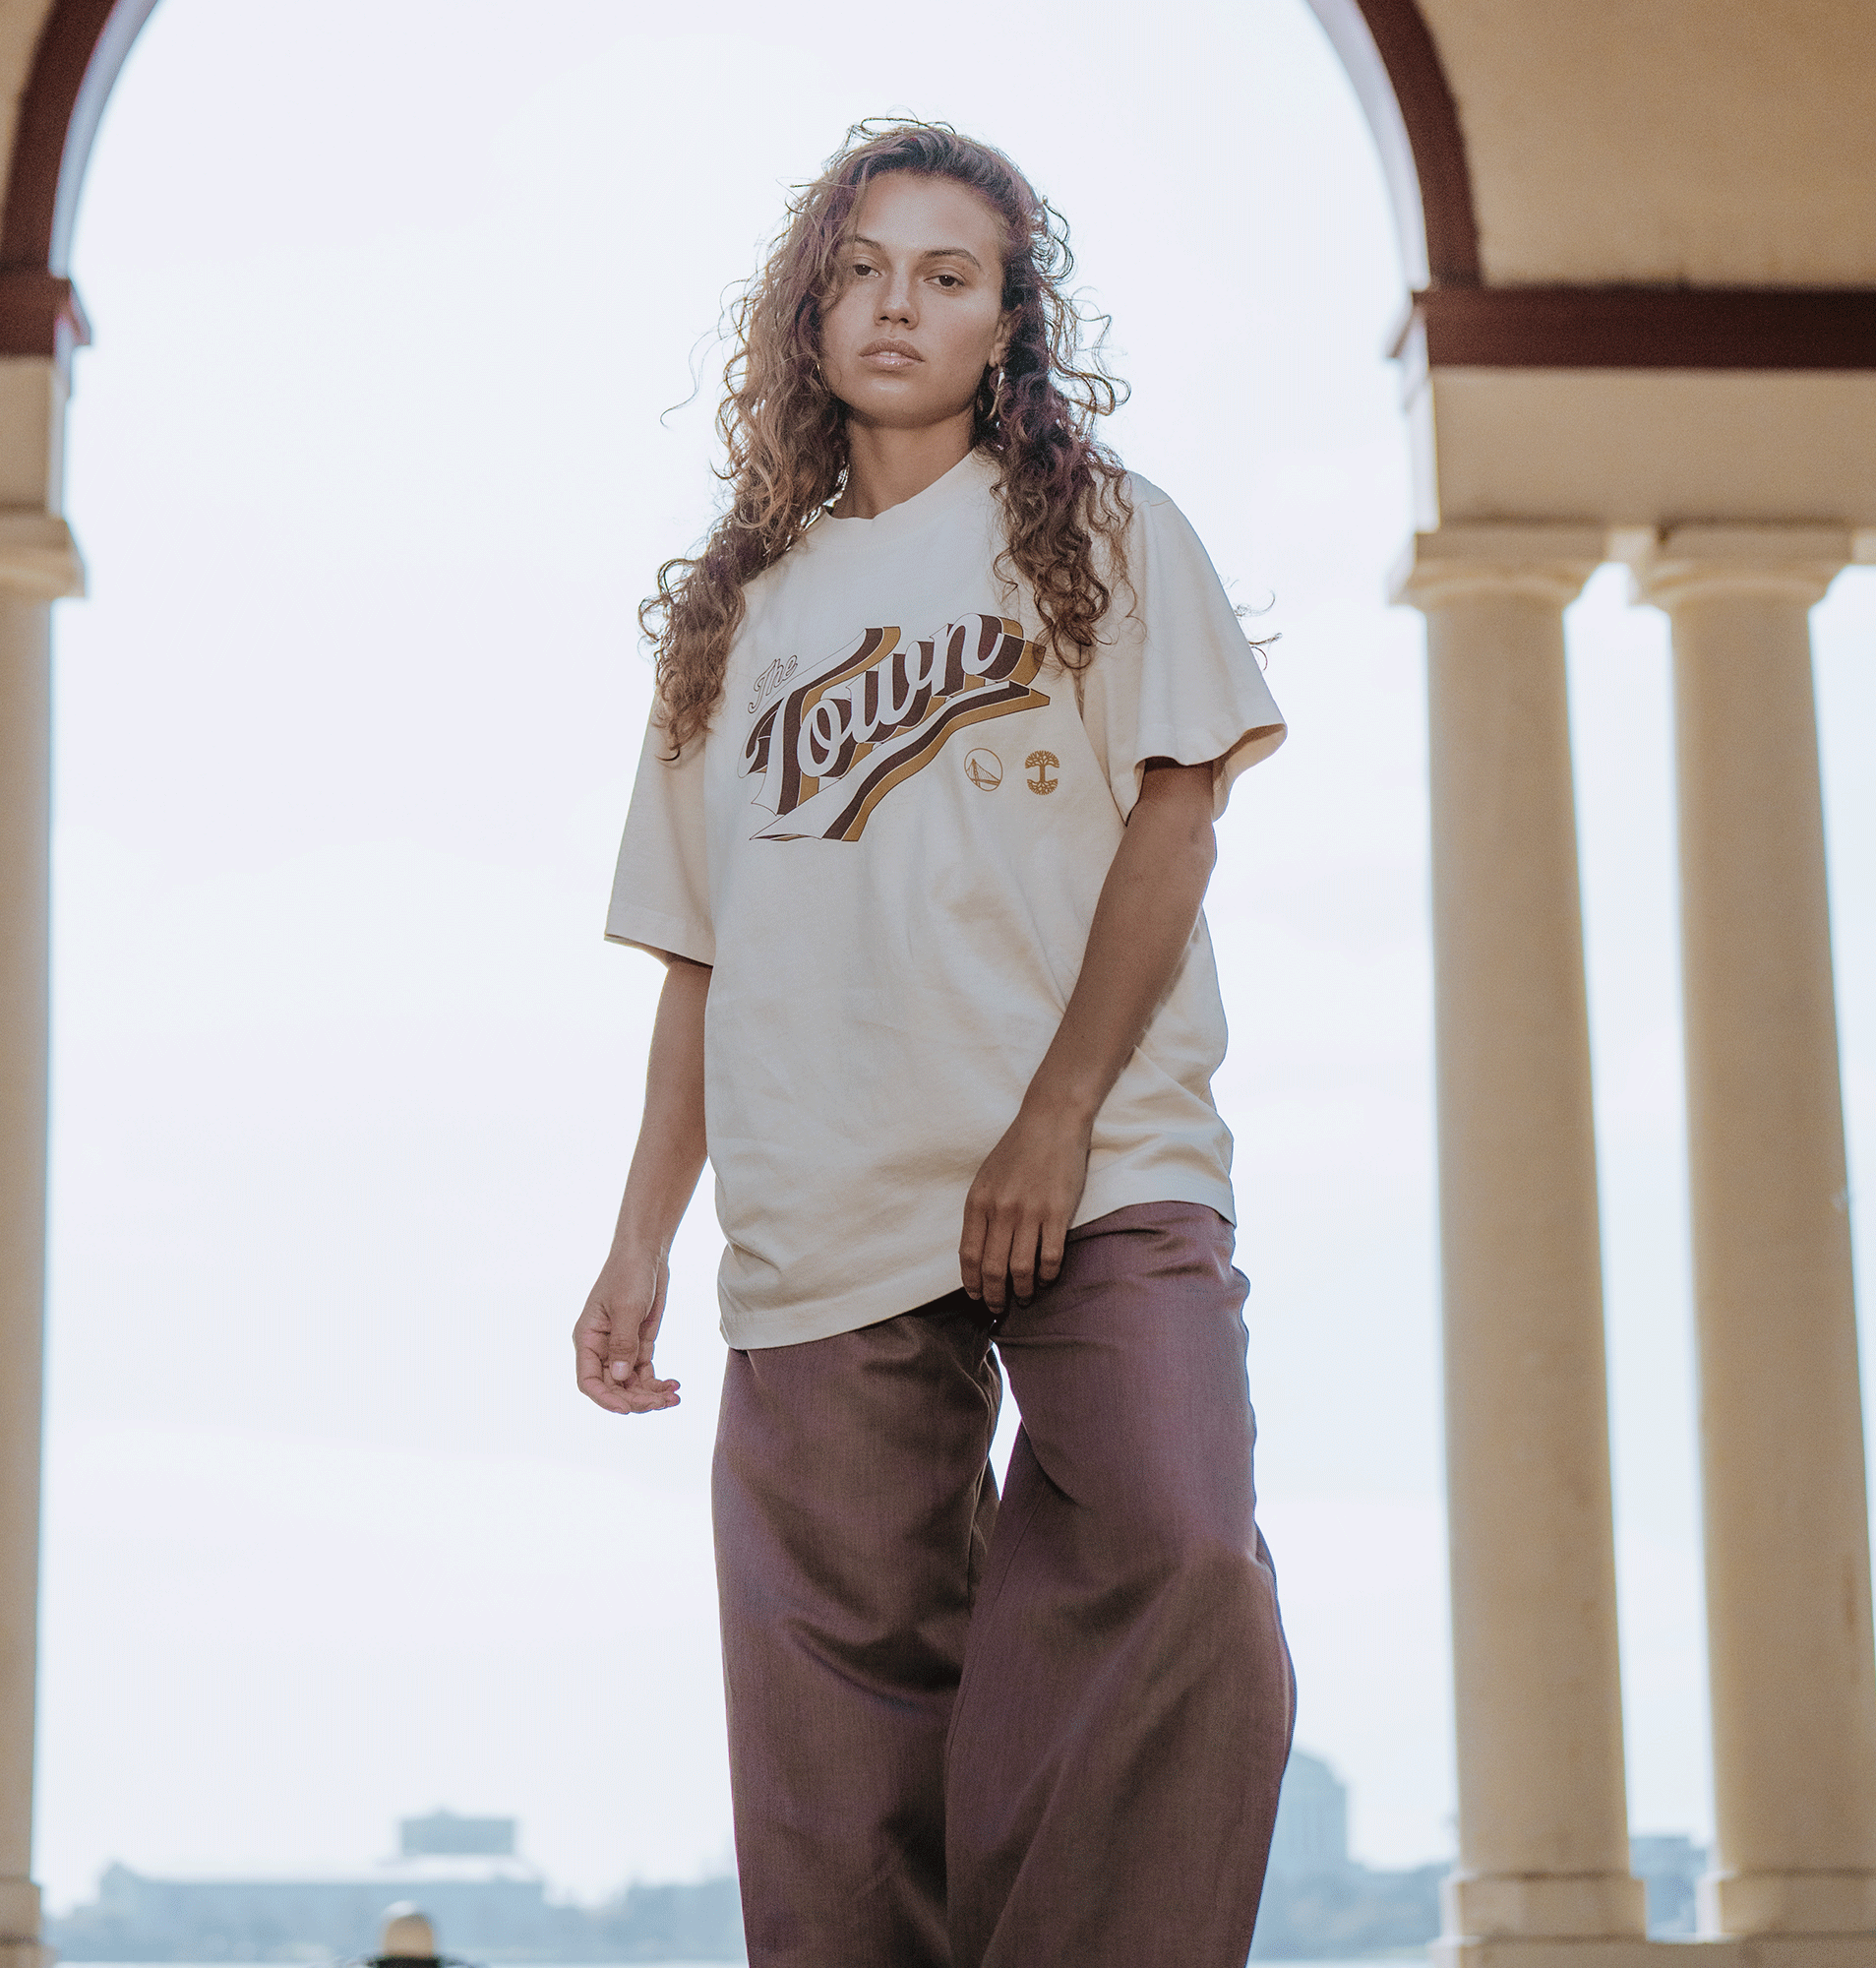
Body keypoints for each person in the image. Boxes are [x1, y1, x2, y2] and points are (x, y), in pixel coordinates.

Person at [574, 119, 1294, 1968]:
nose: (900, 304)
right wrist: (643, 1234)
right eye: (865, 268)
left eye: (947, 274)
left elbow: (1178, 817)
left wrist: (1055, 1120)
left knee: (1185, 1559)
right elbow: (701, 965)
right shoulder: (732, 621)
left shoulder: (1107, 532)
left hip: (1098, 1153)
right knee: (838, 1746)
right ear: (811, 311)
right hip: (819, 1194)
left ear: (1008, 325)